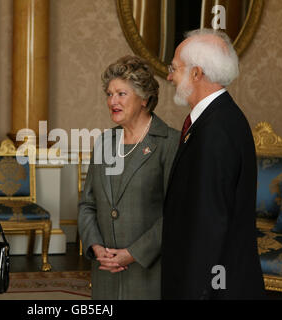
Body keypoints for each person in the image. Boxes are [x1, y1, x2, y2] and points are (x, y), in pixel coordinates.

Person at [162, 29, 265, 299]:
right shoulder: (217, 119)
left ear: (196, 73)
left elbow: (210, 222)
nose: (169, 76)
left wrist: (198, 290)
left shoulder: (216, 130)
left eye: (174, 68)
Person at [78, 55, 179, 299]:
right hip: (105, 270)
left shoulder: (170, 143)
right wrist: (95, 246)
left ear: (144, 98)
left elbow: (176, 213)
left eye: (121, 94)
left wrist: (133, 253)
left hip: (148, 270)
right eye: (109, 94)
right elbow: (87, 204)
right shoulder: (104, 142)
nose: (112, 101)